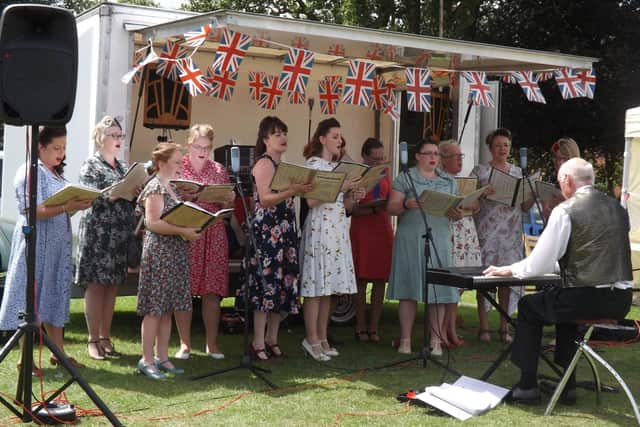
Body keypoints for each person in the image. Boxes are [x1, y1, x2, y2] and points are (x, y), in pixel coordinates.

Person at [484, 158, 633, 403]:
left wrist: (509, 270)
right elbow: (587, 255)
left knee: (529, 307)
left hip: (585, 297)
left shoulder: (566, 210)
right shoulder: (617, 208)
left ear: (566, 180)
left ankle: (527, 386)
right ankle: (568, 385)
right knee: (566, 313)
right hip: (620, 300)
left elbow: (539, 264)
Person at [0, 126, 92, 369]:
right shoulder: (29, 172)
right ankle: (25, 357)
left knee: (54, 293)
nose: (61, 153)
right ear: (40, 147)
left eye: (64, 148)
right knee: (31, 296)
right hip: (36, 245)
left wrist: (77, 205)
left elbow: (59, 207)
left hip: (56, 247)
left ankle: (58, 353)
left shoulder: (54, 173)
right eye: (56, 148)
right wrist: (67, 205)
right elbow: (34, 210)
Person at [245, 116, 312, 361]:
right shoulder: (264, 164)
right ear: (265, 139)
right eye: (276, 134)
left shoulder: (283, 164)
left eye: (284, 133)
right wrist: (292, 191)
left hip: (284, 230)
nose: (283, 138)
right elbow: (264, 199)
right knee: (267, 286)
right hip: (268, 232)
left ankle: (273, 338)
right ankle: (258, 341)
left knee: (283, 286)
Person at [386, 140, 461, 356]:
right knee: (408, 289)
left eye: (436, 153)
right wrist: (406, 204)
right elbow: (391, 207)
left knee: (439, 290)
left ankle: (436, 341)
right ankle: (405, 340)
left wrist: (457, 213)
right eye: (428, 153)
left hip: (439, 236)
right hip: (410, 237)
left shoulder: (448, 181)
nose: (433, 157)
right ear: (417, 156)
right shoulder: (405, 177)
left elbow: (456, 211)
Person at [300, 118, 364, 361]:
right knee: (316, 287)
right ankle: (311, 338)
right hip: (320, 228)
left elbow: (344, 205)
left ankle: (323, 336)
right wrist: (342, 185)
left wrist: (354, 195)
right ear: (322, 139)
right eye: (335, 136)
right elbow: (312, 201)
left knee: (329, 289)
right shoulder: (314, 164)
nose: (339, 140)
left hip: (337, 229)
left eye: (340, 136)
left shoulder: (338, 167)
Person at [136, 143, 200, 380]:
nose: (181, 165)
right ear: (162, 163)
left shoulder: (171, 187)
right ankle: (147, 359)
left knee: (167, 308)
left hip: (174, 253)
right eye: (176, 161)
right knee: (154, 308)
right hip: (160, 253)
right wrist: (183, 231)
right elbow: (152, 223)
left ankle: (162, 357)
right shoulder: (155, 187)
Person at [76, 116, 136, 360]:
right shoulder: (91, 165)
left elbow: (130, 195)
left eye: (120, 135)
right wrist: (114, 193)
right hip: (98, 234)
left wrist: (135, 189)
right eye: (113, 135)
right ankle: (92, 339)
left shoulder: (123, 167)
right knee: (96, 285)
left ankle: (105, 336)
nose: (118, 140)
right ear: (101, 138)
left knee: (112, 286)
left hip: (119, 234)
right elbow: (89, 197)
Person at [173, 124, 235, 361]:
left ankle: (212, 343)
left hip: (214, 232)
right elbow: (169, 197)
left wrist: (229, 200)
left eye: (207, 147)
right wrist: (185, 196)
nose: (202, 151)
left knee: (212, 291)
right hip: (188, 229)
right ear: (189, 144)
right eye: (198, 146)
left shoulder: (219, 169)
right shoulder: (180, 166)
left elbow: (228, 210)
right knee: (184, 290)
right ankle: (185, 344)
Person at [471, 128, 533, 344]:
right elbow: (470, 202)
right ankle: (484, 326)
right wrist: (481, 192)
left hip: (511, 234)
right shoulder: (480, 172)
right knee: (485, 279)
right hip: (487, 231)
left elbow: (525, 207)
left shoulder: (518, 173)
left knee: (506, 279)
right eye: (498, 145)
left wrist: (531, 193)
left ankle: (504, 327)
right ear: (490, 148)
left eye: (506, 145)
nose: (502, 149)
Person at [349, 138, 393, 343]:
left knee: (379, 279)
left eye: (382, 158)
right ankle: (360, 326)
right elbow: (351, 208)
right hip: (362, 228)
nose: (379, 162)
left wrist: (385, 204)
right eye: (374, 159)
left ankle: (374, 327)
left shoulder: (385, 173)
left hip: (382, 228)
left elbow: (391, 198)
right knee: (361, 278)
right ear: (364, 156)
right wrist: (372, 208)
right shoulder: (356, 174)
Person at [439, 140, 482, 347]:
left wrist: (472, 202)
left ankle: (450, 329)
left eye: (461, 156)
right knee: (450, 284)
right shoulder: (440, 180)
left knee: (460, 285)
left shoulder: (463, 181)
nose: (459, 160)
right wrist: (466, 204)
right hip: (451, 233)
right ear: (443, 160)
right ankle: (447, 332)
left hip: (466, 231)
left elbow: (475, 206)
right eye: (455, 156)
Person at [541, 137, 581, 220]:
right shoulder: (550, 180)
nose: (559, 162)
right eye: (556, 157)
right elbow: (545, 213)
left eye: (565, 159)